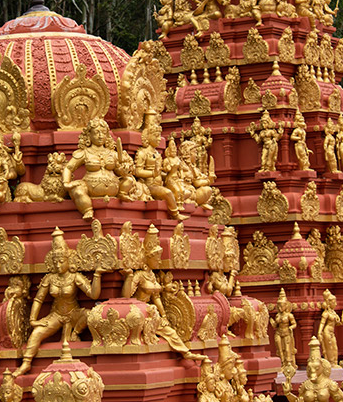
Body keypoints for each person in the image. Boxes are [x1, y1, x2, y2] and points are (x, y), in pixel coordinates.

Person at [14, 228, 104, 375]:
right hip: (55, 315)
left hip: (73, 313)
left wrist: (97, 275)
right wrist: (33, 320)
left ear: (69, 260)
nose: (58, 265)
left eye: (61, 261)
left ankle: (75, 333)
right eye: (55, 262)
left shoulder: (75, 277)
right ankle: (26, 363)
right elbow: (38, 299)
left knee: (90, 316)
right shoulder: (50, 278)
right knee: (37, 332)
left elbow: (94, 295)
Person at [121, 224, 206, 363]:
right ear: (147, 258)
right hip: (137, 312)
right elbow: (126, 297)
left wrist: (164, 315)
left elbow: (156, 297)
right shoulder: (140, 276)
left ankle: (186, 352)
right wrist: (129, 277)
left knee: (170, 331)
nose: (159, 261)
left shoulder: (152, 276)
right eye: (156, 258)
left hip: (151, 312)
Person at [63, 118, 135, 220]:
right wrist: (66, 182)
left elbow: (119, 171)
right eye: (96, 133)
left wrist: (123, 170)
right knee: (78, 192)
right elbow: (69, 168)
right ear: (89, 135)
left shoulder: (112, 153)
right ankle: (87, 210)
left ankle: (122, 194)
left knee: (129, 179)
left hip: (113, 186)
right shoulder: (85, 152)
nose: (100, 136)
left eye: (103, 133)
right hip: (90, 186)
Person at [135, 114, 188, 221]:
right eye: (156, 136)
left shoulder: (158, 154)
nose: (159, 139)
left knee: (183, 192)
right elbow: (137, 171)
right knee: (167, 193)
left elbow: (160, 173)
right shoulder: (142, 153)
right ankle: (175, 213)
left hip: (159, 183)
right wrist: (152, 174)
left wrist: (170, 174)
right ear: (148, 137)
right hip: (149, 185)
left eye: (159, 136)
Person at [270, 288, 297, 368]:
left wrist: (291, 327)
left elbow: (294, 324)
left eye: (282, 305)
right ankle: (282, 363)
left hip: (286, 332)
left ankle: (289, 363)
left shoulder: (289, 315)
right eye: (279, 305)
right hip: (279, 332)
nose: (280, 307)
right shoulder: (278, 315)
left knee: (287, 349)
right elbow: (275, 326)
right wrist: (272, 322)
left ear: (286, 305)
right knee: (280, 349)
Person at [318, 289, 343, 367]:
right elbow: (322, 323)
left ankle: (335, 362)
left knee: (335, 347)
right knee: (329, 347)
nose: (335, 304)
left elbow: (336, 323)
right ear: (329, 303)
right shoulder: (326, 313)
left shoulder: (333, 313)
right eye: (333, 302)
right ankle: (331, 362)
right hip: (326, 332)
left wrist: (341, 321)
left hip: (331, 332)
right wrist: (319, 333)